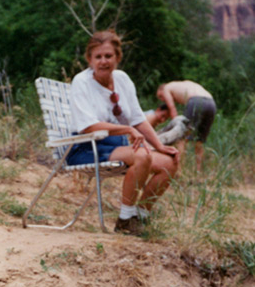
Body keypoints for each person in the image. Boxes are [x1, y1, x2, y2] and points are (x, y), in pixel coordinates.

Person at [66, 31, 179, 235]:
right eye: (98, 57)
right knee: (142, 155)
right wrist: (127, 129)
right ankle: (125, 219)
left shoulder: (122, 79)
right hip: (87, 146)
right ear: (89, 59)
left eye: (108, 56)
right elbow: (88, 126)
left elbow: (138, 119)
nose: (103, 61)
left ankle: (141, 217)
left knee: (169, 163)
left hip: (116, 146)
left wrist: (160, 146)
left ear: (117, 57)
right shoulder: (81, 82)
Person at [151, 79, 217, 174]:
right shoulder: (184, 84)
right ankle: (198, 172)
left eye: (161, 96)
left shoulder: (166, 88)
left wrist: (176, 128)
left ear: (161, 90)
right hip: (211, 103)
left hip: (195, 101)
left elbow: (173, 110)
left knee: (181, 138)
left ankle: (178, 170)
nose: (162, 99)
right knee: (199, 141)